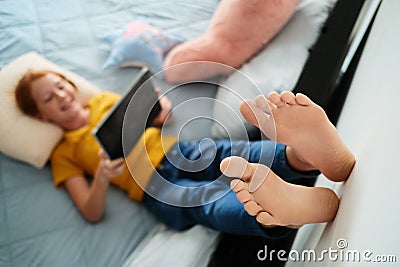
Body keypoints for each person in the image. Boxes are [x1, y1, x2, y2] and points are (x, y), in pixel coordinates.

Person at [15, 69, 351, 238]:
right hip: (155, 187)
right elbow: (91, 211)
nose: (60, 94)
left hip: (180, 150)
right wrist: (102, 177)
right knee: (207, 200)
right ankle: (277, 209)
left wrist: (156, 105)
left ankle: (302, 156)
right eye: (48, 98)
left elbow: (164, 115)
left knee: (234, 152)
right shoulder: (63, 153)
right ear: (42, 117)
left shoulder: (103, 101)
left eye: (60, 85)